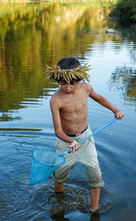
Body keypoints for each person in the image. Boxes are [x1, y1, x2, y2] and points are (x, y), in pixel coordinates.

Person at [46, 56, 124, 213]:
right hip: (65, 142)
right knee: (59, 175)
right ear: (57, 80)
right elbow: (58, 131)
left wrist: (115, 109)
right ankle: (59, 199)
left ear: (79, 78)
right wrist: (70, 141)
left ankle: (94, 210)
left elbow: (100, 98)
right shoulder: (55, 100)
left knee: (95, 175)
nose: (67, 87)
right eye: (63, 83)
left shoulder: (86, 88)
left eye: (72, 83)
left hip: (86, 138)